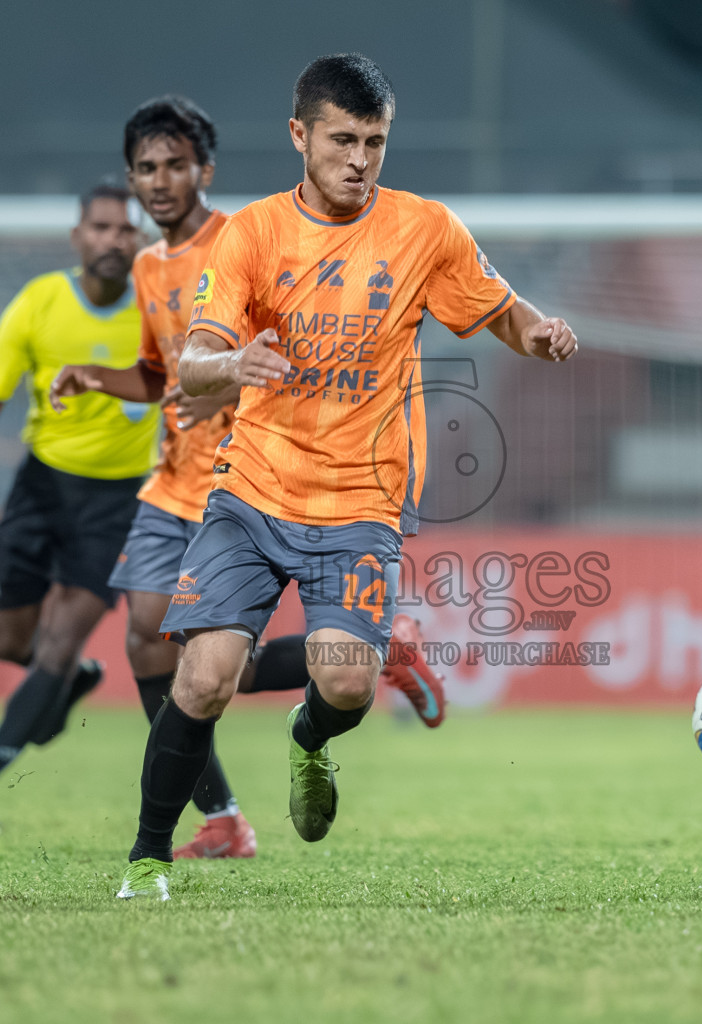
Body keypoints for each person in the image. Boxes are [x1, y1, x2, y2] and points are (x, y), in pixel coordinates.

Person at [112, 53, 578, 900]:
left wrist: (539, 334)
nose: (359, 160)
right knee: (205, 677)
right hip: (251, 491)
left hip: (362, 501)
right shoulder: (252, 232)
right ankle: (146, 860)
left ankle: (309, 736)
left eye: (374, 142)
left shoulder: (424, 229)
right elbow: (195, 358)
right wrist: (233, 363)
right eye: (341, 141)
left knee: (346, 683)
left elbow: (501, 310)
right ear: (299, 135)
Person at [51, 96, 450, 859]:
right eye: (146, 168)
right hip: (175, 480)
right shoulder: (148, 265)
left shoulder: (250, 239)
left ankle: (356, 671)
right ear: (131, 179)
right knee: (150, 645)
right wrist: (97, 377)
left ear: (204, 171)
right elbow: (161, 372)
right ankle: (224, 815)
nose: (160, 181)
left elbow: (298, 361)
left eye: (175, 166)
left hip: (250, 478)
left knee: (196, 661)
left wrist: (227, 381)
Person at [0, 183, 154, 834]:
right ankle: (66, 682)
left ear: (140, 239)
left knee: (57, 646)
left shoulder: (158, 306)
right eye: (101, 227)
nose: (113, 239)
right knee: (13, 645)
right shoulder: (39, 302)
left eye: (125, 229)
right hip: (40, 489)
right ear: (77, 237)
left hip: (118, 500)